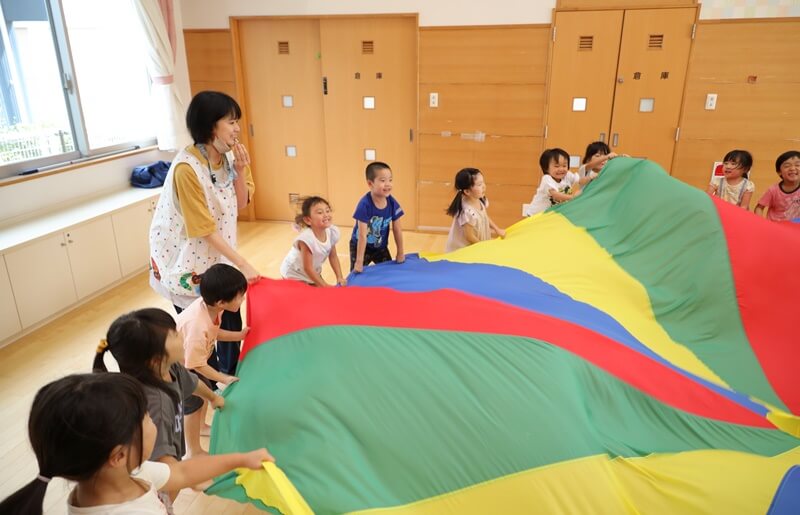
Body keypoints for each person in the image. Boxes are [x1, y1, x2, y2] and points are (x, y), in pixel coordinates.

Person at [0, 373, 273, 515]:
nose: (153, 420)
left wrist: (241, 458)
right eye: (146, 417)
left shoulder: (119, 474)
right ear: (117, 455)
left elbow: (182, 473)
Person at [149, 90, 260, 378]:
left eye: (237, 122)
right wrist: (244, 264)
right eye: (231, 122)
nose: (237, 128)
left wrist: (240, 169)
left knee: (229, 312)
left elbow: (243, 203)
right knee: (200, 328)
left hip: (215, 252)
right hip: (185, 256)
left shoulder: (229, 158)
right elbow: (202, 228)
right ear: (211, 126)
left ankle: (230, 374)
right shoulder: (187, 169)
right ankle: (203, 383)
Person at [92, 309, 225, 502]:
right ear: (155, 359)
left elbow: (193, 383)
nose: (180, 333)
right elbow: (163, 464)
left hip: (166, 464)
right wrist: (191, 478)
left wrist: (213, 398)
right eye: (173, 334)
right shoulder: (157, 406)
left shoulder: (170, 367)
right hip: (151, 476)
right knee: (164, 501)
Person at [177, 263, 248, 458]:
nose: (243, 299)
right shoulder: (197, 326)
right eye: (240, 296)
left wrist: (239, 336)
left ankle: (201, 427)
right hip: (180, 368)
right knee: (193, 403)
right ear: (221, 302)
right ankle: (192, 451)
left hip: (192, 361)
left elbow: (214, 333)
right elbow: (196, 364)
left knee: (202, 394)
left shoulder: (213, 310)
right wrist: (223, 378)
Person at [350, 161, 405, 273]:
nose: (388, 184)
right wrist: (359, 261)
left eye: (390, 180)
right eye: (383, 180)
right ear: (370, 184)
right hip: (360, 247)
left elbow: (397, 229)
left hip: (380, 247)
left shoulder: (392, 203)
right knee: (356, 274)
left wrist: (400, 251)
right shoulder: (364, 205)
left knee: (389, 272)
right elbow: (362, 235)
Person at [280, 196, 346, 287]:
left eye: (327, 211)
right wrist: (325, 286)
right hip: (294, 274)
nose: (326, 214)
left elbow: (333, 256)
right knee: (307, 298)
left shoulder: (331, 232)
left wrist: (339, 277)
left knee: (320, 293)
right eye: (320, 212)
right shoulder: (307, 240)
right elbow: (308, 268)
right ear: (308, 220)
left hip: (312, 271)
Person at [444, 168, 505, 252]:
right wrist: (483, 246)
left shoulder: (479, 199)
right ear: (467, 191)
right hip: (464, 249)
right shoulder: (468, 212)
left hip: (477, 243)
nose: (484, 186)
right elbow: (469, 236)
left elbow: (484, 217)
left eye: (483, 182)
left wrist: (497, 229)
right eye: (479, 184)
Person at [524, 148, 581, 217]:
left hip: (550, 216)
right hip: (536, 215)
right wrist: (573, 197)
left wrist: (591, 177)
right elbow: (555, 195)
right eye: (556, 166)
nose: (561, 169)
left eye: (564, 165)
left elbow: (580, 181)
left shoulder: (567, 175)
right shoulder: (547, 179)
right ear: (546, 168)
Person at [755, 150, 800, 221]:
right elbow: (759, 208)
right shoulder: (773, 190)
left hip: (795, 226)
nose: (792, 168)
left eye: (797, 165)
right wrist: (762, 223)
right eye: (787, 166)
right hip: (776, 226)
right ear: (779, 172)